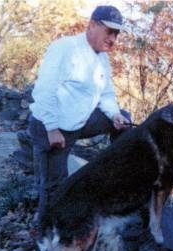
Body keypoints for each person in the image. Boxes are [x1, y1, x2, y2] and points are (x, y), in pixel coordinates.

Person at [28, 5, 131, 225]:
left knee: (125, 118)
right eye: (109, 31)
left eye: (117, 33)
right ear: (92, 24)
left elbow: (106, 94)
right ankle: (46, 229)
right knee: (54, 185)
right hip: (50, 126)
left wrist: (114, 115)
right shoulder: (65, 48)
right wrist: (52, 127)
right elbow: (45, 90)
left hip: (78, 123)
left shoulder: (102, 58)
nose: (113, 38)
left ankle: (117, 180)